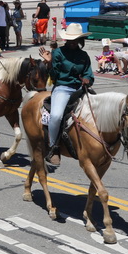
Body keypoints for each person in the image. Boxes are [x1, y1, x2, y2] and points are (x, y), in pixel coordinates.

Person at [38, 23, 93, 166]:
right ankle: (53, 147)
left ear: (80, 40)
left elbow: (88, 73)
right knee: (56, 116)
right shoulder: (58, 53)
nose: (73, 42)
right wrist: (49, 63)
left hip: (80, 89)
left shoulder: (84, 55)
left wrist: (88, 79)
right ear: (66, 39)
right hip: (63, 88)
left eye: (75, 39)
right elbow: (54, 76)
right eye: (70, 39)